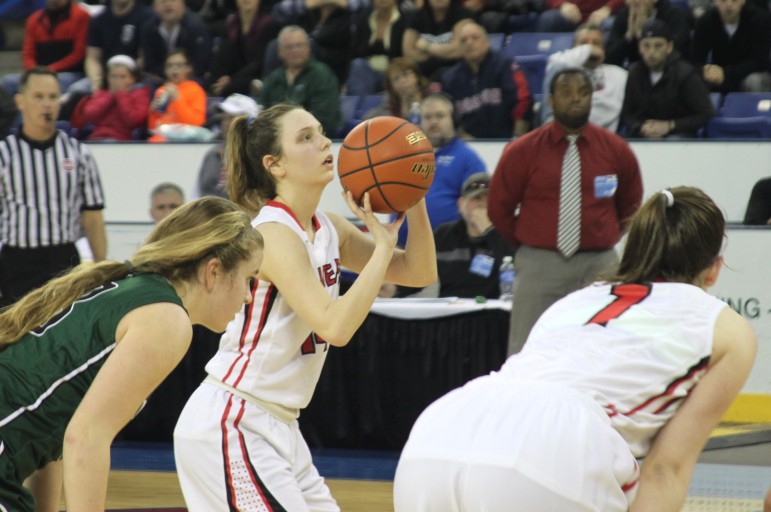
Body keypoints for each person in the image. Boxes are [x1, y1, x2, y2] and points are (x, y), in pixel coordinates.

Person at [394, 186, 757, 512]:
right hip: (554, 450)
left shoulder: (575, 301)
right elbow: (666, 469)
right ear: (714, 270)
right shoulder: (726, 327)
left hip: (443, 431)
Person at [173, 103, 437, 510]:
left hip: (280, 424)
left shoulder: (328, 228)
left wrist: (411, 191)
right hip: (234, 419)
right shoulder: (273, 233)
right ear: (274, 164)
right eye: (306, 137)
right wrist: (382, 249)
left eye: (320, 131)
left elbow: (419, 271)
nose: (324, 142)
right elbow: (335, 327)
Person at [0, 197, 264, 512]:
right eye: (250, 279)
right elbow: (85, 438)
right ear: (214, 271)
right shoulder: (166, 319)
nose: (250, 296)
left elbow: (54, 437)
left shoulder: (134, 288)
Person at [488, 67, 643, 356]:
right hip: (539, 262)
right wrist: (529, 245)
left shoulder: (616, 150)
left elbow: (631, 206)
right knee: (526, 348)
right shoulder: (522, 151)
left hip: (600, 265)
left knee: (605, 348)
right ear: (550, 100)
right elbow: (499, 208)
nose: (576, 100)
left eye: (583, 93)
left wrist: (602, 234)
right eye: (567, 93)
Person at [0, 67, 107, 309]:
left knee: (67, 336)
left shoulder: (78, 153)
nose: (47, 104)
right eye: (38, 97)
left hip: (64, 260)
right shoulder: (4, 154)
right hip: (17, 261)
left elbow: (92, 217)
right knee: (15, 339)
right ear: (21, 102)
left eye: (53, 97)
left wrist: (102, 268)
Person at [397, 93, 487, 246]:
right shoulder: (408, 157)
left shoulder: (467, 157)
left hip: (449, 250)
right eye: (428, 117)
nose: (433, 122)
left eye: (440, 116)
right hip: (404, 247)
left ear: (453, 120)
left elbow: (480, 204)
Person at [621, 19, 714, 138]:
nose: (651, 52)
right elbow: (627, 114)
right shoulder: (634, 72)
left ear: (669, 47)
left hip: (677, 134)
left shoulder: (685, 73)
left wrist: (670, 125)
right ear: (640, 47)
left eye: (658, 46)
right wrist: (640, 127)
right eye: (646, 46)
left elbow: (706, 114)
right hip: (644, 133)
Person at [440, 20, 532, 138]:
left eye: (475, 38)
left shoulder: (505, 65)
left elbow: (524, 100)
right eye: (463, 40)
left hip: (509, 139)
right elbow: (447, 115)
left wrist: (517, 137)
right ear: (458, 46)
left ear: (487, 41)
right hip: (470, 146)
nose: (469, 43)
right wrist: (463, 139)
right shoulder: (450, 78)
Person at [433, 172, 516, 298]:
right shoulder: (444, 234)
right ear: (461, 205)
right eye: (476, 198)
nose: (482, 204)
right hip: (449, 311)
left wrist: (490, 231)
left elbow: (517, 270)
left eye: (489, 199)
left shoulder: (507, 236)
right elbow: (416, 277)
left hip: (492, 311)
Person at [542, 23, 628, 133]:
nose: (591, 48)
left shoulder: (619, 74)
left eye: (596, 43)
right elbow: (555, 66)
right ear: (574, 48)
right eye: (584, 43)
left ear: (603, 48)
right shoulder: (565, 69)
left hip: (602, 138)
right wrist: (587, 50)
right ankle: (549, 132)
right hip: (563, 133)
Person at [260, 25, 341, 137]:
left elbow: (325, 119)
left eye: (299, 45)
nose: (295, 50)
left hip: (313, 139)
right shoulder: (272, 79)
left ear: (308, 47)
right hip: (275, 141)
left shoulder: (322, 75)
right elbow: (262, 115)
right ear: (280, 51)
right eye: (289, 47)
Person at [2, 0, 91, 96]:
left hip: (70, 72)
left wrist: (48, 71)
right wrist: (34, 71)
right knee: (8, 82)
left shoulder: (81, 16)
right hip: (38, 72)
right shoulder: (34, 19)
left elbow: (78, 54)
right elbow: (28, 53)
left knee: (57, 82)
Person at [691, 0, 771, 94]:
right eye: (723, 0)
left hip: (749, 73)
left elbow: (760, 62)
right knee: (695, 80)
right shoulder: (705, 22)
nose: (729, 4)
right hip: (718, 76)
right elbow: (695, 60)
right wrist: (707, 71)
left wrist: (725, 73)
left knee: (755, 81)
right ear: (715, 1)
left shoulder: (760, 19)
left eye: (734, 0)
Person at [207, 0, 281, 97]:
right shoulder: (231, 24)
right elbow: (221, 56)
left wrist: (231, 79)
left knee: (230, 87)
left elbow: (259, 63)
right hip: (232, 74)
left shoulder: (269, 25)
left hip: (255, 76)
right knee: (224, 49)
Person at [197, 94, 260, 199]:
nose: (226, 123)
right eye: (224, 118)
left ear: (250, 121)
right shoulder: (214, 154)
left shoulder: (264, 154)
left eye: (232, 117)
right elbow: (202, 193)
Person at [83, 0, 154, 92]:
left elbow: (145, 57)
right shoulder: (99, 19)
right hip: (106, 76)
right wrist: (96, 81)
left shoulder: (147, 17)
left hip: (135, 76)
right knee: (79, 89)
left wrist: (123, 76)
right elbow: (92, 58)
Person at [139, 0, 212, 85]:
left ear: (182, 3)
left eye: (173, 0)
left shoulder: (196, 28)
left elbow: (200, 66)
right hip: (161, 78)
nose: (168, 4)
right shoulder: (148, 29)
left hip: (190, 78)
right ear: (154, 6)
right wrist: (168, 76)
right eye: (163, 1)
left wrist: (177, 77)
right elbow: (150, 64)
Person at [345, 0, 408, 96]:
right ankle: (361, 108)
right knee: (357, 65)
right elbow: (354, 52)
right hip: (367, 70)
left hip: (393, 70)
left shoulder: (406, 19)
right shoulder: (364, 18)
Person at [401, 0, 474, 81]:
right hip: (423, 76)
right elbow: (409, 55)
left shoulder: (463, 14)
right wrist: (445, 52)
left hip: (456, 73)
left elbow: (458, 51)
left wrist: (427, 47)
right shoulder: (416, 17)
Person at [605, 0, 691, 68]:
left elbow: (678, 53)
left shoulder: (674, 14)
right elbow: (609, 59)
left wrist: (643, 34)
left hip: (669, 72)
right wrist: (629, 37)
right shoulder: (625, 15)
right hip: (634, 73)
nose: (636, 1)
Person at [83, 54, 151, 141]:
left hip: (123, 140)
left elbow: (135, 120)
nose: (117, 81)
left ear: (132, 78)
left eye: (122, 76)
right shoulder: (101, 93)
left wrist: (121, 95)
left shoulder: (140, 94)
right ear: (107, 78)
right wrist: (110, 95)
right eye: (113, 76)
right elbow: (90, 114)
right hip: (97, 138)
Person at [147, 49, 207, 141]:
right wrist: (152, 112)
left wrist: (177, 99)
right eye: (170, 66)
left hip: (187, 140)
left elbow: (196, 123)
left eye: (179, 65)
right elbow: (153, 127)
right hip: (161, 139)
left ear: (188, 68)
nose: (174, 69)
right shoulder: (161, 90)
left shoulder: (196, 90)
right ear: (165, 70)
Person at [363, 57, 432, 120]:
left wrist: (416, 101)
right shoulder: (388, 104)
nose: (402, 81)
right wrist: (404, 105)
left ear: (416, 76)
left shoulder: (432, 95)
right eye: (396, 79)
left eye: (406, 75)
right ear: (391, 87)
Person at [535, 0, 621, 32]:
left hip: (602, 17)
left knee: (612, 25)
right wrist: (563, 4)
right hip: (570, 16)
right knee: (548, 19)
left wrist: (608, 8)